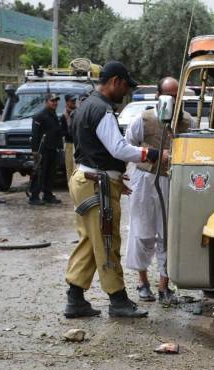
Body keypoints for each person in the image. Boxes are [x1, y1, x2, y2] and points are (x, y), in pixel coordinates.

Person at [64, 61, 160, 318]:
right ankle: (118, 299)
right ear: (116, 81)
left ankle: (75, 299)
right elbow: (118, 148)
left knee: (90, 241)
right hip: (96, 184)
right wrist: (148, 153)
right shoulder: (102, 110)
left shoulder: (86, 106)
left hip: (88, 179)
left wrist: (116, 177)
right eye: (125, 87)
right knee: (107, 241)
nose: (126, 93)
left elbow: (94, 150)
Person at [124, 77, 194, 304]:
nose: (174, 100)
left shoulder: (187, 122)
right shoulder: (142, 120)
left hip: (173, 181)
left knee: (168, 234)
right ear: (159, 96)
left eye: (177, 96)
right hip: (144, 180)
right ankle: (142, 282)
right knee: (142, 232)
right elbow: (128, 146)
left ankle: (164, 285)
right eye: (170, 95)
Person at [30, 93, 63, 205]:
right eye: (52, 101)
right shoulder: (39, 115)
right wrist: (35, 151)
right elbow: (34, 134)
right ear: (46, 102)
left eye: (56, 101)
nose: (55, 103)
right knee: (40, 173)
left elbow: (56, 132)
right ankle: (34, 196)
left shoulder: (53, 114)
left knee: (50, 173)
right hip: (42, 150)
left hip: (52, 148)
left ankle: (47, 195)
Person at [61, 94, 77, 183]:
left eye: (74, 100)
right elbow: (62, 131)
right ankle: (71, 186)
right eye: (72, 101)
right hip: (69, 144)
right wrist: (70, 132)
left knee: (77, 167)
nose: (74, 102)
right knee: (69, 167)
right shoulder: (64, 116)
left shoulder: (78, 112)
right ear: (67, 102)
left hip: (78, 143)